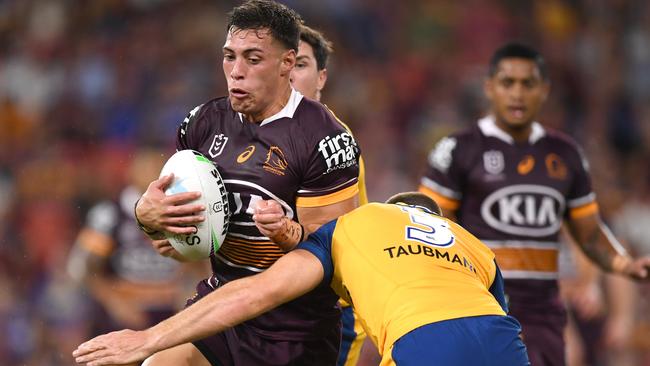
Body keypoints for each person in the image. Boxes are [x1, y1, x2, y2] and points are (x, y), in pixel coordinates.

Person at [132, 1, 361, 365]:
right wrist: (149, 218)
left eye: (253, 59)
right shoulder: (203, 121)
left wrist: (290, 234)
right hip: (220, 307)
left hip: (295, 330)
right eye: (229, 57)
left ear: (287, 63)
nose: (236, 72)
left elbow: (336, 260)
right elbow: (177, 241)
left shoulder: (326, 140)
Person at [73, 192, 530, 366]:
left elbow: (255, 293)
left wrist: (147, 340)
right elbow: (493, 318)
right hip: (501, 337)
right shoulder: (472, 243)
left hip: (423, 341)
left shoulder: (356, 225)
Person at [418, 42, 650, 365]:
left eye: (528, 84)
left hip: (544, 314)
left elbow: (589, 233)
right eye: (507, 83)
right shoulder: (457, 150)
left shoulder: (565, 154)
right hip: (483, 305)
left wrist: (624, 264)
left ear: (544, 90)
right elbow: (427, 226)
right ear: (489, 87)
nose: (517, 93)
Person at [291, 24, 369, 366]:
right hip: (278, 303)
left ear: (321, 78)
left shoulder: (333, 141)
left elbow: (324, 239)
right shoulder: (261, 134)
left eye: (301, 64)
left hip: (329, 308)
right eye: (284, 63)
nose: (289, 74)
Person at [66, 148, 191, 335]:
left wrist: (189, 293)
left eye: (160, 168)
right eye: (147, 168)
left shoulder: (183, 212)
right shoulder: (109, 215)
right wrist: (114, 301)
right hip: (122, 320)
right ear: (132, 173)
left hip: (171, 317)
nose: (154, 175)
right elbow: (81, 269)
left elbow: (201, 262)